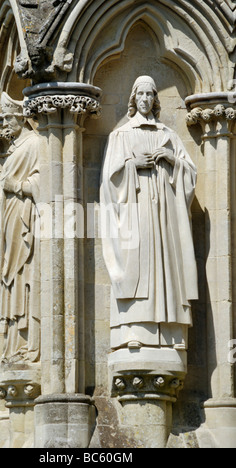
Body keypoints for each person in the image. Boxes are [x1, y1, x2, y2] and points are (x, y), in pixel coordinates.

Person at [100, 76, 198, 351]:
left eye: (149, 95)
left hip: (165, 213)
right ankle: (134, 329)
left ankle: (171, 332)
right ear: (133, 99)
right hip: (136, 211)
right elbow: (109, 180)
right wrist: (133, 165)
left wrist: (170, 159)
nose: (145, 99)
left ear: (155, 99)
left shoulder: (168, 135)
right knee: (138, 266)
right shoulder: (120, 135)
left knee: (168, 264)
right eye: (140, 94)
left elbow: (190, 174)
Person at [0, 92, 41, 363]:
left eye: (7, 119)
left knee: (25, 276)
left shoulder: (35, 144)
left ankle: (28, 343)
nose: (4, 124)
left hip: (26, 219)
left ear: (19, 119)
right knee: (11, 276)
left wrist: (16, 186)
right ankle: (13, 343)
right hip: (10, 220)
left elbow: (43, 185)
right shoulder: (15, 147)